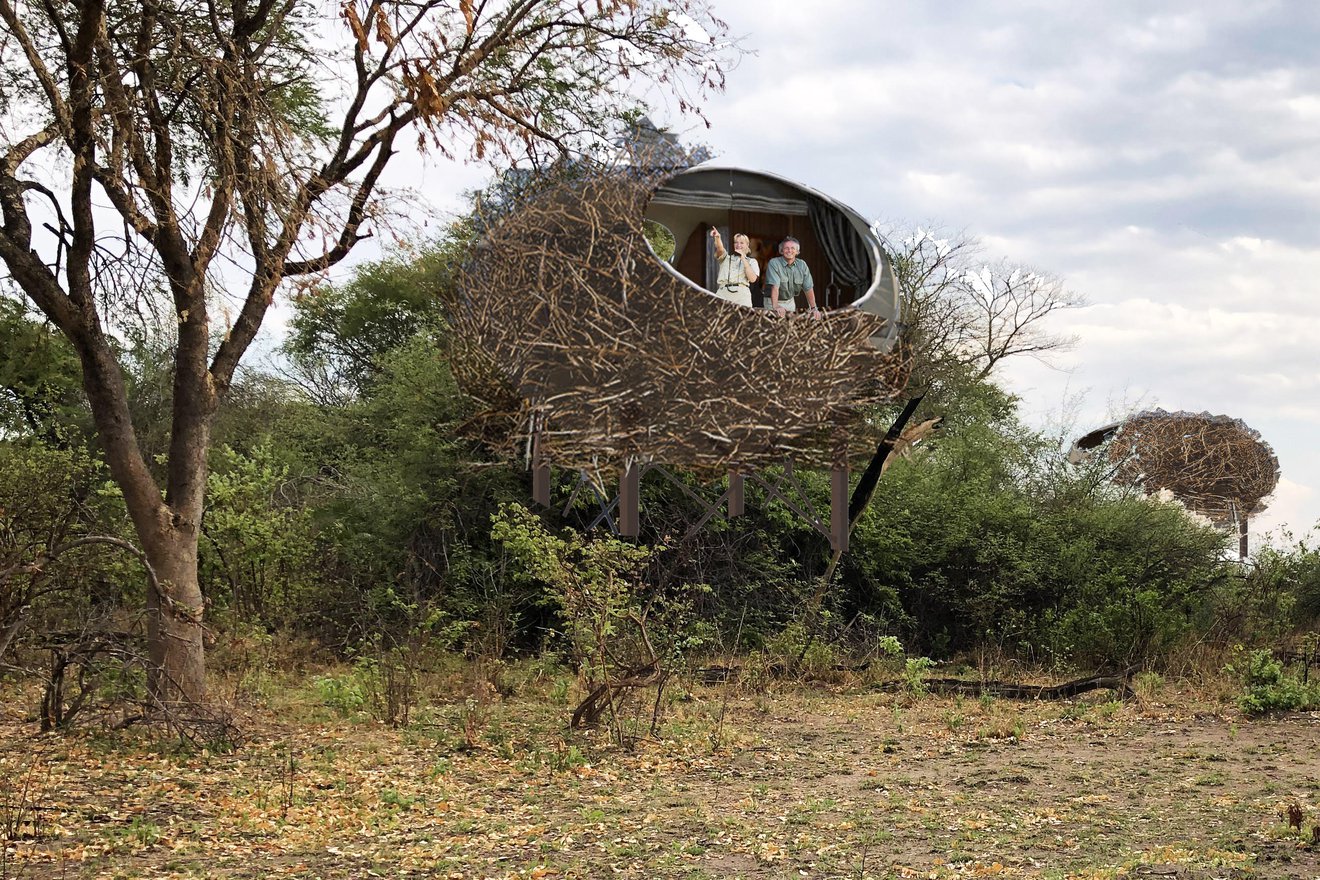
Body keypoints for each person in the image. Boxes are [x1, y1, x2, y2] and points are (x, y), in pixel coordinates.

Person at [764, 236, 821, 319]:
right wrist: (776, 306)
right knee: (775, 327)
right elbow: (775, 287)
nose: (789, 250)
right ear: (781, 251)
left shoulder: (802, 265)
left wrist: (813, 308)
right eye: (786, 248)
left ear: (797, 251)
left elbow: (808, 288)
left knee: (790, 327)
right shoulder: (774, 263)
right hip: (772, 301)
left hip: (790, 301)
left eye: (792, 248)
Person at [709, 228, 759, 306]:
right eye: (736, 242)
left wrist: (743, 259)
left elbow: (752, 279)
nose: (738, 245)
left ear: (747, 245)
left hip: (742, 295)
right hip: (723, 293)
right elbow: (720, 249)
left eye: (742, 243)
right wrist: (718, 237)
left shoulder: (752, 261)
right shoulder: (726, 258)